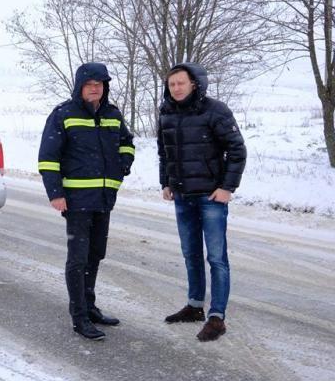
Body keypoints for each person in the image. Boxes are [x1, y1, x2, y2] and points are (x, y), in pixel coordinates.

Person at [38, 62, 135, 341]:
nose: (95, 89)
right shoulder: (64, 114)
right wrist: (56, 193)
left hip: (103, 199)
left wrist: (123, 164)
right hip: (76, 201)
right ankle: (79, 316)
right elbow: (48, 158)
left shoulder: (112, 114)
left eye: (99, 84)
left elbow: (127, 143)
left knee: (96, 254)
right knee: (78, 259)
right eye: (90, 84)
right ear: (80, 87)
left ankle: (90, 307)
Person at [157, 63, 246, 342]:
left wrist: (227, 187)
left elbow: (237, 149)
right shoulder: (166, 112)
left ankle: (216, 317)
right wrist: (166, 182)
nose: (176, 88)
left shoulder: (215, 110)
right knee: (191, 253)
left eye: (181, 83)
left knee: (216, 258)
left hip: (211, 196)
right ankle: (195, 306)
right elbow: (164, 152)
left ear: (194, 83)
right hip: (182, 196)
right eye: (172, 84)